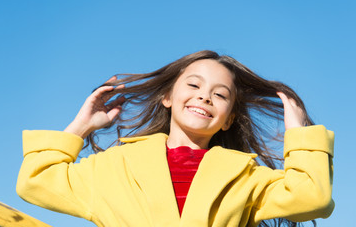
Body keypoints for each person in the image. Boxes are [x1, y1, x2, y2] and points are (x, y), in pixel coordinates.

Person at [17, 50, 334, 227]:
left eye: (220, 95)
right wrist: (81, 126)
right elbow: (36, 181)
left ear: (229, 121)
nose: (205, 97)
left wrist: (298, 134)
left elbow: (312, 198)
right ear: (168, 96)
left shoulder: (246, 177)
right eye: (194, 85)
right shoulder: (114, 167)